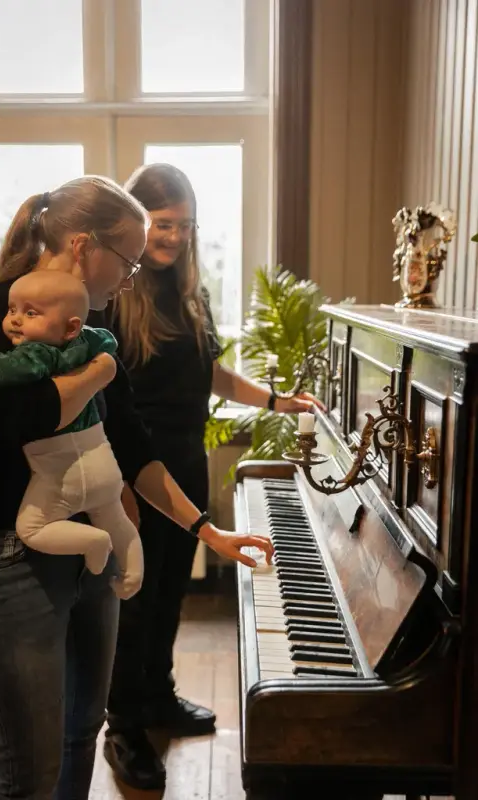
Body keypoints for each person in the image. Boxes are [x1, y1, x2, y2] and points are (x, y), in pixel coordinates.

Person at [0, 175, 273, 800]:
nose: (133, 275)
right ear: (82, 246)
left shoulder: (94, 330)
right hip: (9, 568)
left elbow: (134, 448)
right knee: (27, 771)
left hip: (89, 556)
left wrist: (208, 529)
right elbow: (13, 419)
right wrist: (97, 373)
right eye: (128, 259)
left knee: (79, 735)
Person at [103, 163, 323, 791]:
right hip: (135, 472)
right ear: (138, 223)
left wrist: (279, 401)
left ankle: (159, 695)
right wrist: (117, 486)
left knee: (171, 588)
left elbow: (212, 374)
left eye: (185, 225)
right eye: (162, 224)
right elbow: (105, 406)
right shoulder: (119, 294)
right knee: (136, 602)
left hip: (186, 463)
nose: (173, 237)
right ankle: (124, 726)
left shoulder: (190, 291)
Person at [0, 270, 143, 599]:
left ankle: (92, 541)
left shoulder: (38, 352)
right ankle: (133, 574)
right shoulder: (90, 341)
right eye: (12, 310)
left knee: (32, 528)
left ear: (69, 326)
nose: (14, 320)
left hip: (60, 472)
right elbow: (107, 341)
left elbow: (8, 368)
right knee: (116, 520)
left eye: (30, 313)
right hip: (102, 464)